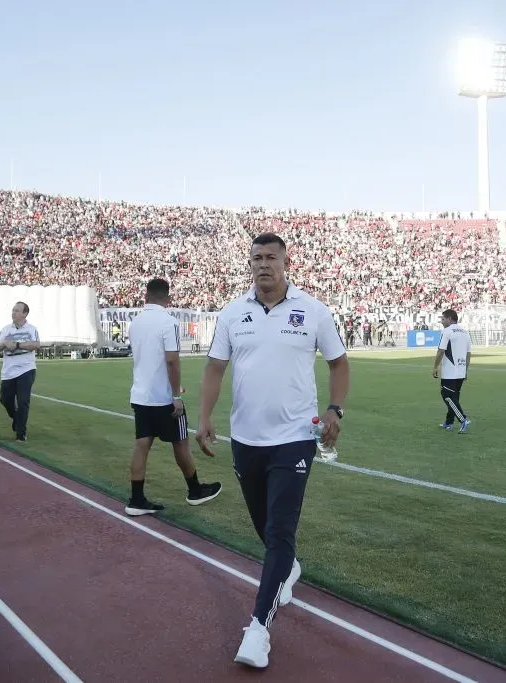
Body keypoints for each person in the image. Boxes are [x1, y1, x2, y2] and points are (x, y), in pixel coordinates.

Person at [195, 232, 349, 670]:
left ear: (286, 263)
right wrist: (204, 417)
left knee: (279, 534)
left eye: (271, 258)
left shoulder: (313, 311)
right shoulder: (231, 314)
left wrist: (335, 409)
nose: (264, 264)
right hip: (246, 440)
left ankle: (259, 629)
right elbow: (214, 368)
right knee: (267, 531)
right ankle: (287, 568)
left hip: (296, 437)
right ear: (250, 264)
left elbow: (338, 363)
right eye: (257, 258)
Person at [125, 278, 222, 516]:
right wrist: (176, 394)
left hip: (140, 394)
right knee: (180, 442)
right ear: (167, 299)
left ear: (146, 296)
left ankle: (136, 499)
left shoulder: (135, 322)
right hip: (162, 398)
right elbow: (172, 360)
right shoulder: (168, 322)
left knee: (141, 445)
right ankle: (195, 490)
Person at [0, 301, 41, 441]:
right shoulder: (6, 329)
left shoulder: (32, 329)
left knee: (23, 401)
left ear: (25, 314)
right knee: (5, 399)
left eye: (17, 310)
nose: (13, 313)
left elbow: (36, 345)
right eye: (13, 310)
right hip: (8, 371)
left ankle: (21, 433)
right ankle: (16, 419)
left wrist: (18, 344)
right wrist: (4, 344)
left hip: (27, 369)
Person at [433, 308, 472, 433]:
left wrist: (435, 367)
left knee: (447, 395)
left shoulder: (447, 331)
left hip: (450, 371)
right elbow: (468, 353)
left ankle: (463, 419)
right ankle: (449, 422)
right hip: (461, 370)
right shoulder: (465, 332)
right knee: (454, 397)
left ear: (449, 319)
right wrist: (466, 369)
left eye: (443, 319)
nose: (442, 322)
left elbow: (441, 350)